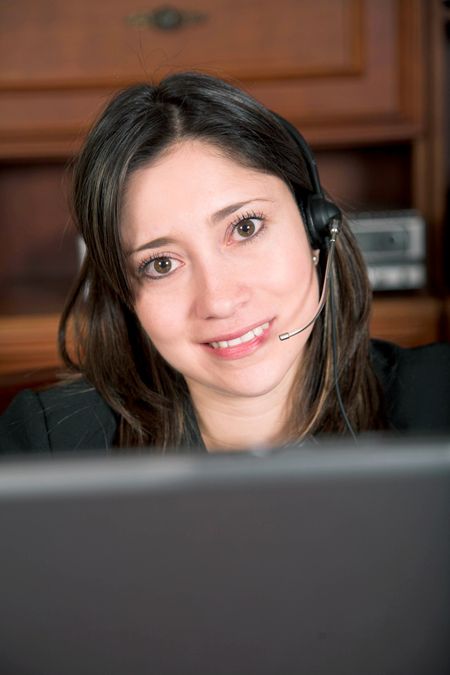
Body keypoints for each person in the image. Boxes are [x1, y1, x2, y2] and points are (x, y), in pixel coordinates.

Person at [1, 71, 449, 453]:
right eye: (160, 264)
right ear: (125, 294)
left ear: (315, 229)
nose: (218, 299)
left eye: (245, 228)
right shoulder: (46, 443)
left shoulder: (439, 401)